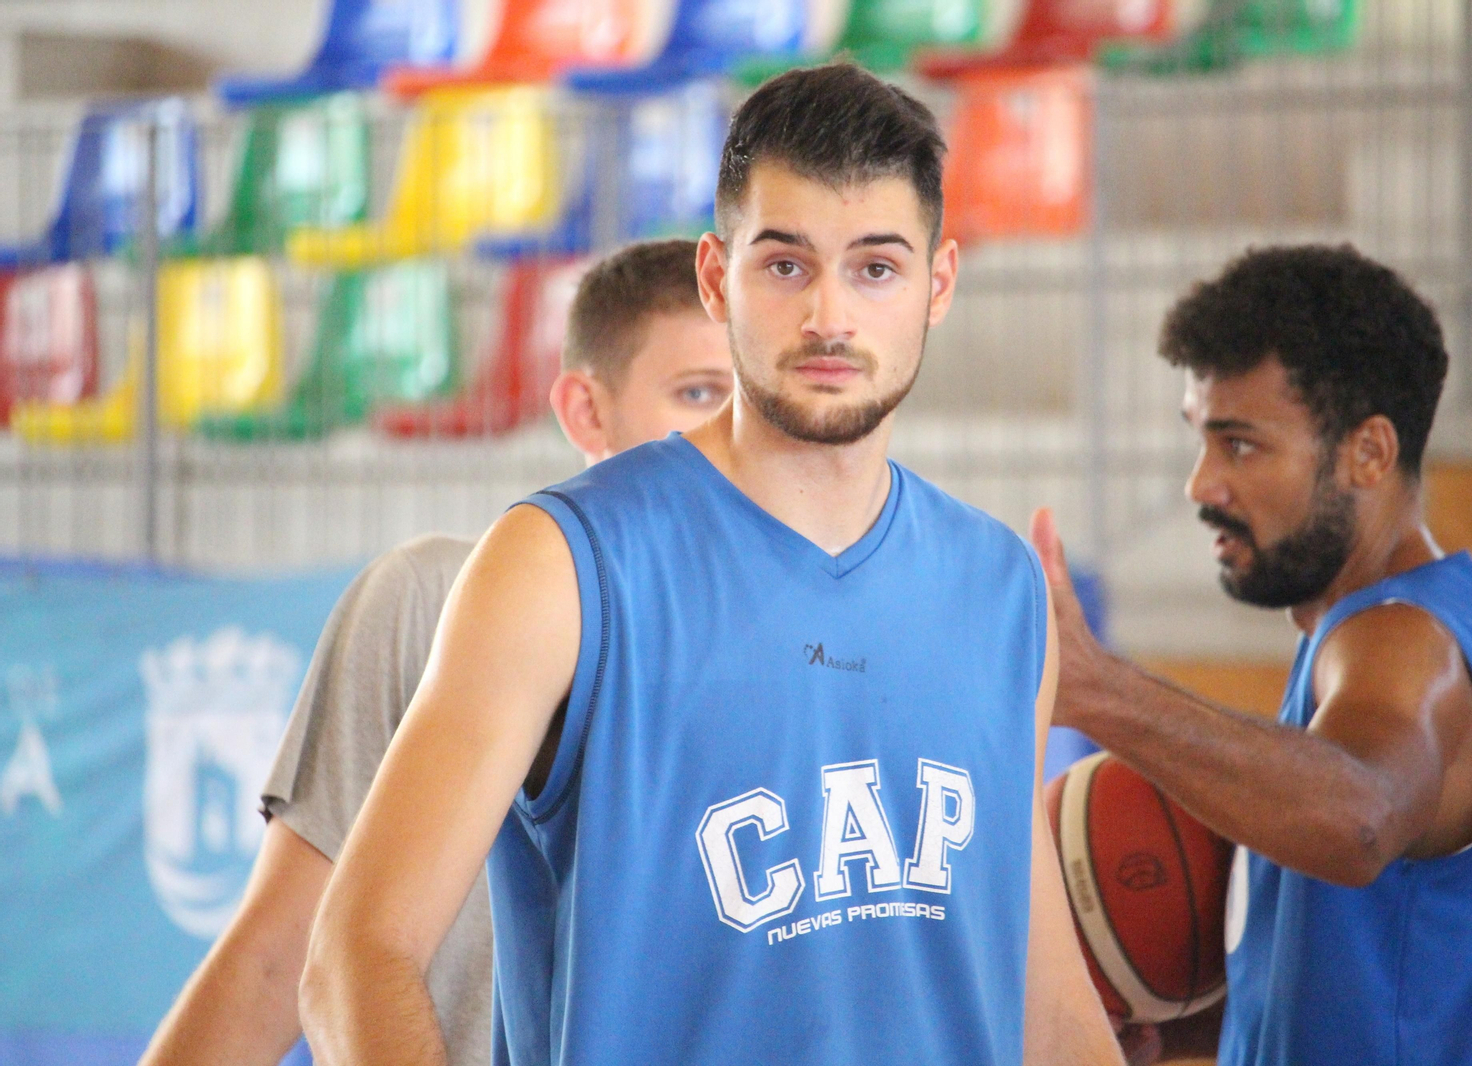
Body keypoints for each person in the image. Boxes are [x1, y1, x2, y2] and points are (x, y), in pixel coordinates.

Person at [299, 63, 1123, 1066]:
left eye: (875, 268)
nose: (828, 316)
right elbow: (356, 956)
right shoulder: (559, 563)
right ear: (713, 275)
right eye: (785, 265)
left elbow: (1047, 1008)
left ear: (936, 284)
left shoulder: (1001, 592)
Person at [137, 239, 735, 1066]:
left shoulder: (809, 654)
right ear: (586, 411)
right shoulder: (427, 602)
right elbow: (277, 958)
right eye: (698, 392)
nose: (728, 434)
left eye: (750, 403)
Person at [1031, 244, 1472, 1066]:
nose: (1201, 484)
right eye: (1201, 440)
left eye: (1240, 445)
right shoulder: (1395, 634)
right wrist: (1178, 1028)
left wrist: (1096, 689)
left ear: (1370, 453)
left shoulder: (1404, 642)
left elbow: (1358, 820)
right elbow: (1396, 982)